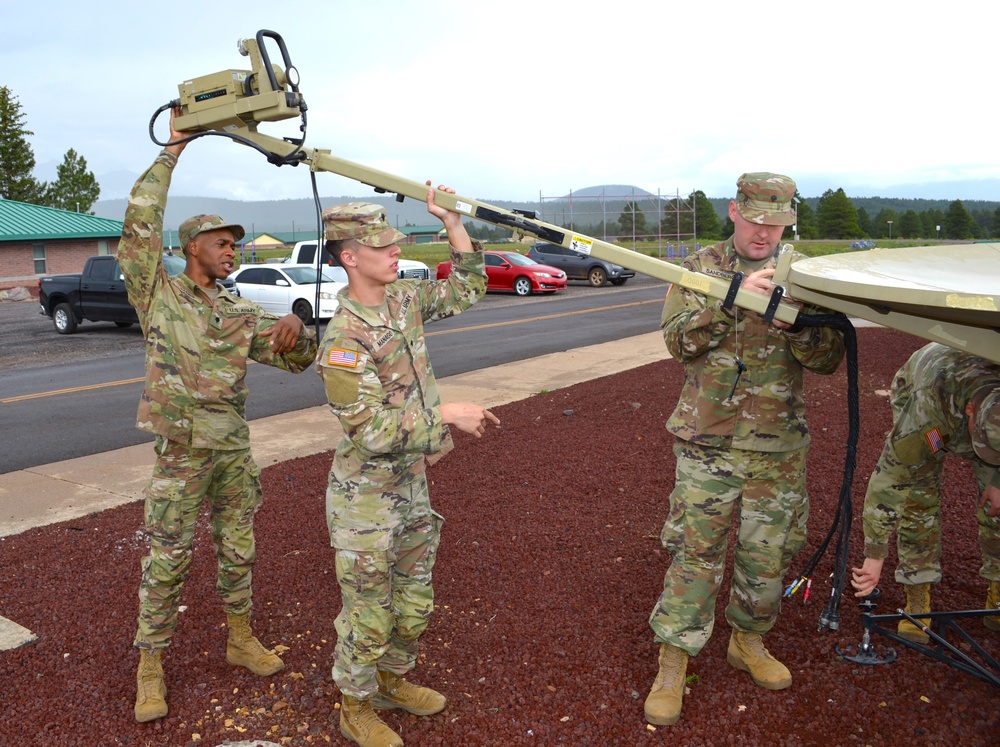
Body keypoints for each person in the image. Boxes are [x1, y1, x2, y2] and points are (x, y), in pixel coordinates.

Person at [119, 108, 319, 724]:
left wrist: (299, 326)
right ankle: (150, 664)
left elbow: (292, 361)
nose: (232, 251)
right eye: (223, 243)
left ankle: (240, 638)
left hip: (231, 448)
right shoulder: (158, 292)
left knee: (238, 548)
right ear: (191, 248)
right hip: (181, 450)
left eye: (235, 243)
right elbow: (140, 222)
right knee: (169, 556)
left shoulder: (238, 307)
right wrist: (174, 151)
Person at [644, 173, 846, 726]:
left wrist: (793, 317)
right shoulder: (700, 269)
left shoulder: (802, 272)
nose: (765, 232)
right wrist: (735, 302)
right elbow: (678, 341)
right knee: (695, 553)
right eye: (756, 219)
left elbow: (829, 357)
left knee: (767, 556)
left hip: (777, 448)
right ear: (734, 211)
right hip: (708, 443)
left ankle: (748, 642)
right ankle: (673, 659)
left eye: (777, 223)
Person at [315, 188, 499, 747]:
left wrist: (452, 222)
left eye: (396, 241)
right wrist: (445, 414)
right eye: (382, 245)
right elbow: (369, 431)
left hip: (410, 484)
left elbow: (469, 286)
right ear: (349, 256)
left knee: (414, 600)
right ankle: (355, 704)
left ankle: (391, 681)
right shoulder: (343, 341)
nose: (396, 251)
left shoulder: (402, 301)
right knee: (369, 613)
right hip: (365, 499)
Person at [850, 342, 1000, 641]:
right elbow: (892, 478)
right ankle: (917, 593)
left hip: (972, 400)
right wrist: (875, 553)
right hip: (928, 394)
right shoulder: (927, 409)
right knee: (920, 498)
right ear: (970, 411)